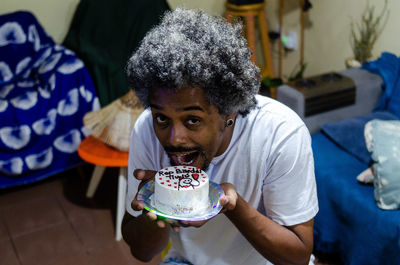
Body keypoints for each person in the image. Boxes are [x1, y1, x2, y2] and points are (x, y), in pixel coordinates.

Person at [122, 8, 318, 265]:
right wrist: (156, 208)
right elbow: (141, 252)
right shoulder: (147, 128)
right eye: (163, 118)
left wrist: (232, 206)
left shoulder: (280, 133)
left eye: (192, 120)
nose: (175, 138)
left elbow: (298, 256)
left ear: (229, 111)